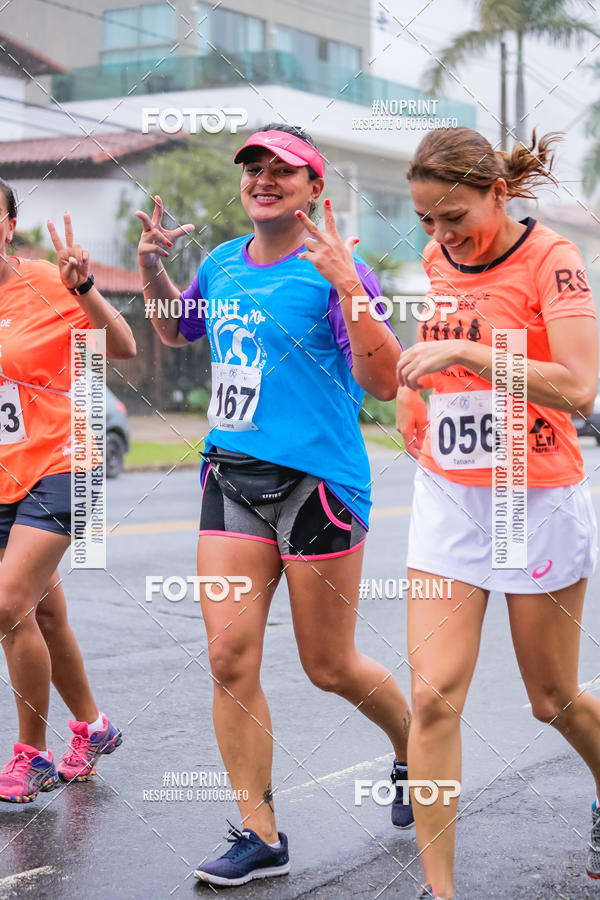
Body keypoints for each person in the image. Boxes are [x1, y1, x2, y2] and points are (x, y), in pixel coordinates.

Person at [137, 123, 413, 887]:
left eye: (283, 171)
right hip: (231, 477)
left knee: (328, 666)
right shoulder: (222, 264)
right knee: (229, 659)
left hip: (317, 486)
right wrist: (155, 273)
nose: (264, 179)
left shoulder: (336, 267)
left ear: (314, 189)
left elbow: (386, 383)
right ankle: (259, 833)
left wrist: (352, 289)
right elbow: (176, 330)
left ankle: (410, 748)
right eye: (254, 167)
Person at [396, 127, 600, 900]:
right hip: (450, 497)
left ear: (497, 195)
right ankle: (439, 891)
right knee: (432, 694)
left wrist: (477, 358)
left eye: (454, 217)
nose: (443, 237)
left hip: (536, 495)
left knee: (551, 700)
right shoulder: (435, 259)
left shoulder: (555, 261)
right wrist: (422, 396)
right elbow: (440, 345)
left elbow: (578, 385)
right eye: (427, 221)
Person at [0, 179, 136, 803]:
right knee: (44, 614)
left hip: (65, 461)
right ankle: (93, 725)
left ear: (9, 225)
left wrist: (83, 289)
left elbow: (125, 347)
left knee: (7, 608)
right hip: (5, 474)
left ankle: (31, 756)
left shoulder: (49, 282)